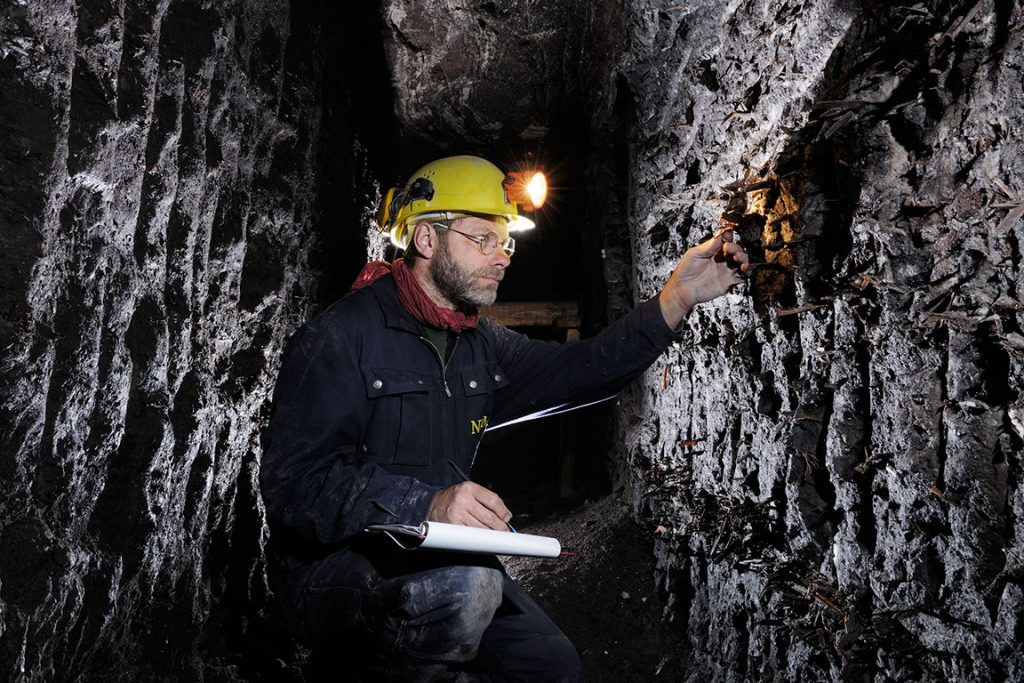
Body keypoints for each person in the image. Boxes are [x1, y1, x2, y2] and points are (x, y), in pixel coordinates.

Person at [260, 155, 748, 681]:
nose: (502, 257)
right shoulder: (339, 338)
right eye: (484, 240)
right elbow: (294, 487)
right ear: (427, 240)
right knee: (467, 592)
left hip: (439, 559)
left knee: (548, 665)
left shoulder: (478, 344)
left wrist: (677, 298)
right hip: (333, 569)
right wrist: (427, 503)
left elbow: (582, 371)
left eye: (506, 243)